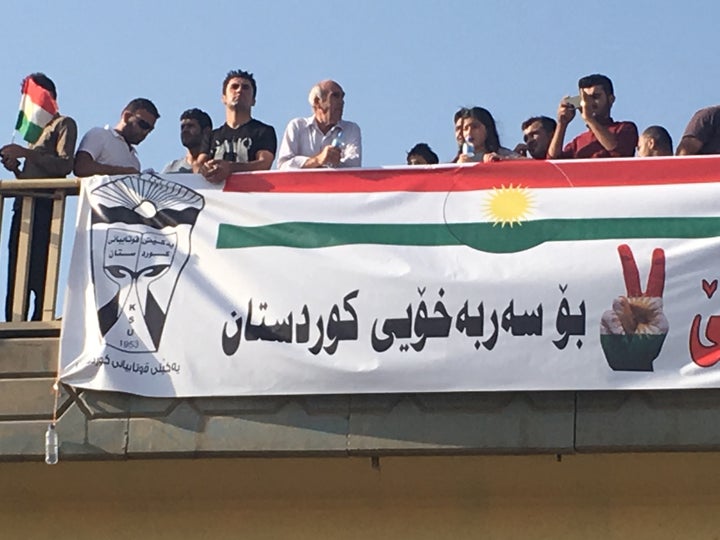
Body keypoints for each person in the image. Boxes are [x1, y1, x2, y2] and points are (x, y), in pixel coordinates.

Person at [0, 73, 77, 321]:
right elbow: (32, 176)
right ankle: (14, 318)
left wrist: (26, 153)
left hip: (45, 205)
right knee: (17, 265)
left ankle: (38, 318)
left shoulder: (63, 123)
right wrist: (16, 169)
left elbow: (64, 166)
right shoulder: (34, 134)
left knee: (39, 267)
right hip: (24, 204)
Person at [196, 69, 276, 183]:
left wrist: (231, 168)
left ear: (253, 100)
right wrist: (205, 169)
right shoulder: (211, 136)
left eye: (245, 88)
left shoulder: (263, 131)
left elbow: (264, 164)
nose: (239, 90)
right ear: (223, 98)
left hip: (249, 195)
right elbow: (198, 165)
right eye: (234, 87)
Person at [547, 74, 638, 159]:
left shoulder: (625, 128)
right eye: (585, 99)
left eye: (595, 97)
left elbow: (618, 151)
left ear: (611, 99)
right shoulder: (577, 142)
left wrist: (589, 119)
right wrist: (562, 124)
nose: (589, 103)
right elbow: (554, 162)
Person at [277, 80, 361, 169]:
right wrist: (318, 160)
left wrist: (328, 162)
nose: (341, 102)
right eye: (335, 96)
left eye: (342, 97)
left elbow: (353, 166)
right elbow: (283, 165)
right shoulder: (297, 126)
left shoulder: (351, 129)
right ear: (317, 101)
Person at [74, 98, 159, 176]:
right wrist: (124, 172)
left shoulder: (135, 161)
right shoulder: (100, 134)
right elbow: (81, 167)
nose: (145, 132)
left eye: (150, 129)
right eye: (143, 125)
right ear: (127, 117)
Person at [456, 107, 521, 163]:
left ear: (487, 129)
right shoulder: (458, 160)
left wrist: (501, 160)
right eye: (465, 129)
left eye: (475, 127)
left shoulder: (501, 153)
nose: (469, 132)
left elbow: (528, 164)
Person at [162, 108, 213, 173]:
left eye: (190, 126)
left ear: (206, 131)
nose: (185, 130)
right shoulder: (171, 169)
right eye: (182, 127)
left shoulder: (216, 166)